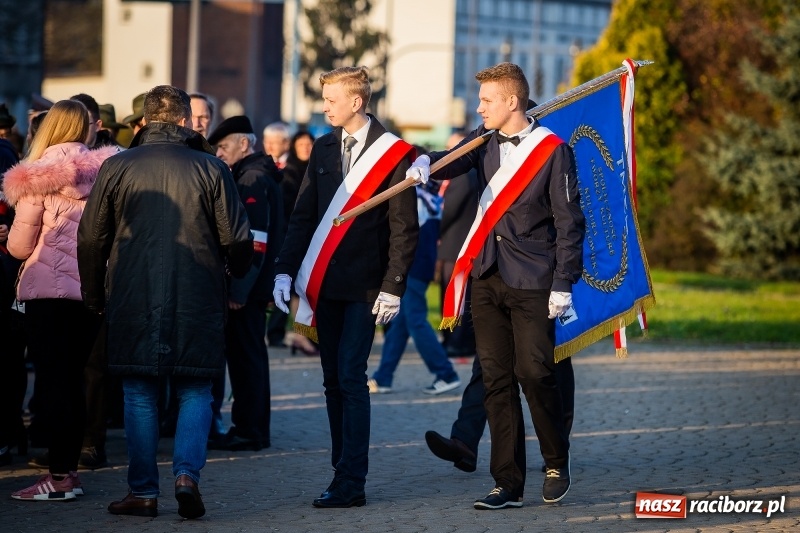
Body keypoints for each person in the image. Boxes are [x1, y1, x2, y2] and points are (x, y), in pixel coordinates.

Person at [407, 62, 584, 510]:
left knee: (535, 372)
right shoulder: (482, 140)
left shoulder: (552, 151)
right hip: (486, 276)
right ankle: (507, 482)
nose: (479, 107)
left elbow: (569, 223)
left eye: (486, 100)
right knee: (496, 382)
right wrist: (425, 160)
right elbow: (449, 162)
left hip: (534, 281)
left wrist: (563, 282)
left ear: (511, 101)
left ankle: (556, 459)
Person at [77, 85, 253, 519]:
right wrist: (232, 271)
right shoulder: (211, 168)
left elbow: (91, 237)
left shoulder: (117, 166)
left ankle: (143, 491)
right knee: (196, 389)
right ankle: (186, 476)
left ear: (146, 121)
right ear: (181, 120)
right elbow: (238, 238)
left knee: (140, 392)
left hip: (131, 293)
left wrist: (94, 294)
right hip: (199, 291)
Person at [273, 66, 418, 508]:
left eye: (332, 99)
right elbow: (304, 216)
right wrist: (284, 270)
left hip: (366, 287)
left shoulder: (393, 154)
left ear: (357, 101)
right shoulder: (321, 148)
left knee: (353, 378)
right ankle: (341, 469)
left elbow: (403, 228)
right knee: (332, 380)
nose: (325, 106)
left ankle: (352, 480)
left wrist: (393, 285)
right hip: (325, 285)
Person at [2, 100, 117, 500]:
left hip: (47, 294)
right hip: (91, 290)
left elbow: (18, 246)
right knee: (77, 380)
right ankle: (69, 472)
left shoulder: (36, 177)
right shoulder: (110, 170)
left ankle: (59, 477)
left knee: (53, 384)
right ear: (86, 128)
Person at [206, 115, 285, 451]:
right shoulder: (253, 172)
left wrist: (238, 290)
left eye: (223, 147)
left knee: (246, 359)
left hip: (246, 290)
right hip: (252, 288)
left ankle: (249, 430)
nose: (219, 154)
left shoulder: (251, 177)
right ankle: (251, 427)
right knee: (249, 357)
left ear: (243, 143)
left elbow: (256, 242)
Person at [368, 151, 461, 395]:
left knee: (416, 320)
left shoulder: (412, 195)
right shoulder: (429, 194)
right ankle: (384, 377)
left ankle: (445, 373)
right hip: (421, 263)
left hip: (412, 265)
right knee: (401, 323)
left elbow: (403, 235)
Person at [266, 130, 317, 353]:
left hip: (313, 236)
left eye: (309, 144)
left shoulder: (318, 169)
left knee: (303, 287)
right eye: (301, 144)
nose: (306, 148)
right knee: (295, 286)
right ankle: (297, 335)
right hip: (293, 236)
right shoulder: (290, 172)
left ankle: (301, 335)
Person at [437, 132, 479, 358]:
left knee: (458, 296)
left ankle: (457, 342)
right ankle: (455, 340)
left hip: (456, 243)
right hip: (454, 243)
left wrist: (435, 227)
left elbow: (449, 209)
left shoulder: (463, 174)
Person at [0, 137, 26, 468]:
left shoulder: (6, 155)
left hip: (9, 273)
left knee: (9, 359)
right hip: (10, 275)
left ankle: (7, 432)